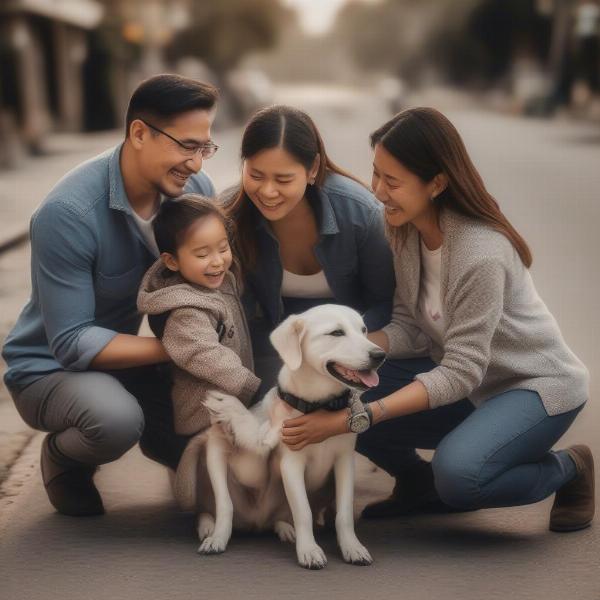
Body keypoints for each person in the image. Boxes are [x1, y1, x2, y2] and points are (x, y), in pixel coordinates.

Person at [280, 107, 594, 533]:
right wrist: (343, 348)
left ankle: (567, 468)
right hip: (471, 384)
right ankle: (416, 482)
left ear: (437, 183)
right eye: (376, 175)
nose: (377, 191)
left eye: (392, 182)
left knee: (460, 476)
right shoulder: (405, 230)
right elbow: (411, 327)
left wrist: (356, 419)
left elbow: (462, 370)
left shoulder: (480, 254)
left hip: (533, 386)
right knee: (344, 383)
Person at [1, 74, 219, 516]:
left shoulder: (195, 193)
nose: (196, 165)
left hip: (129, 358)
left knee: (202, 450)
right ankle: (64, 460)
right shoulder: (67, 214)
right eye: (186, 146)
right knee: (116, 422)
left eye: (203, 149)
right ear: (139, 133)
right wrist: (180, 349)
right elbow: (71, 341)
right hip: (49, 368)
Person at [223, 104, 395, 389]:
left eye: (283, 179)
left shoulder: (360, 214)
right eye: (255, 175)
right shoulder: (229, 217)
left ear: (313, 168)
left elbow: (385, 301)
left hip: (356, 347)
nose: (267, 191)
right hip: (273, 346)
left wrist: (340, 346)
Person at [137, 194, 260, 439]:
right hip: (205, 420)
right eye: (202, 255)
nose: (217, 262)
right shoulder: (185, 312)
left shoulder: (218, 282)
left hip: (230, 406)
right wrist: (251, 387)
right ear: (171, 261)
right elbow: (206, 354)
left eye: (223, 248)